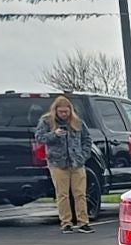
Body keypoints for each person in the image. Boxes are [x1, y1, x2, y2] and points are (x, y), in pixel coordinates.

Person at [34, 96, 94, 233]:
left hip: (77, 162)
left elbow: (87, 139)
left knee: (80, 193)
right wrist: (54, 134)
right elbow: (39, 137)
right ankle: (66, 222)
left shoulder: (77, 122)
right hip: (57, 163)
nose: (64, 114)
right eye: (61, 112)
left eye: (66, 111)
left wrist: (84, 155)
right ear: (55, 110)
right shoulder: (46, 121)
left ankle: (83, 222)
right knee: (62, 194)